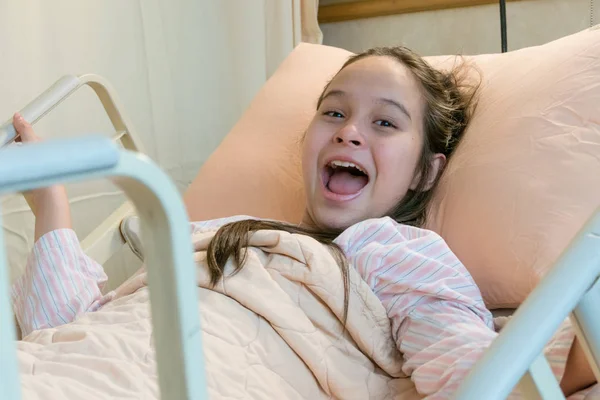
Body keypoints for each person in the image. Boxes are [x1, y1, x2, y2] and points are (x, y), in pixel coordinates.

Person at [10, 46, 596, 398]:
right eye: (334, 111)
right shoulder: (212, 229)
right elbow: (70, 331)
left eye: (385, 123)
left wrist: (563, 366)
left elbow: (465, 373)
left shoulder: (393, 251)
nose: (348, 130)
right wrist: (52, 204)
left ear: (424, 173)